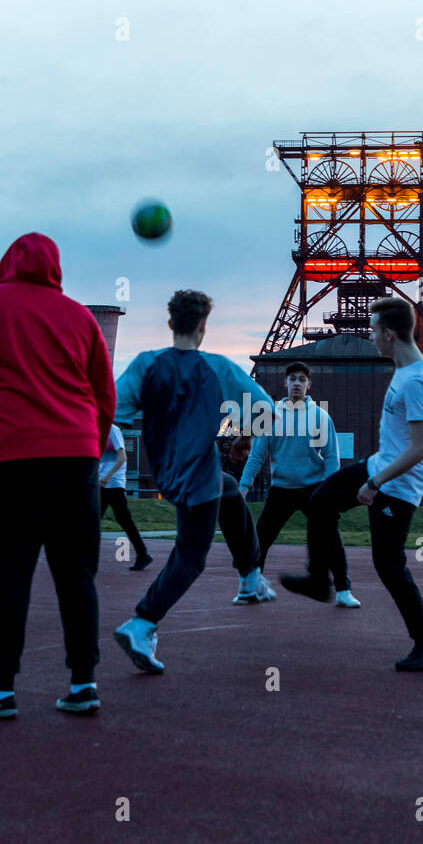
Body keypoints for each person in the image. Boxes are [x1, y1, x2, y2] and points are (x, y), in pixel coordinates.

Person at [0, 232, 116, 717]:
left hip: (13, 461)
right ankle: (82, 682)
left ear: (7, 263)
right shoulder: (80, 317)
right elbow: (103, 394)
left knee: (10, 572)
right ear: (56, 267)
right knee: (77, 573)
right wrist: (90, 448)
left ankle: (0, 691)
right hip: (76, 461)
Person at [281, 297, 423, 671]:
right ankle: (318, 579)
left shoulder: (419, 380)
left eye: (374, 331)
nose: (371, 337)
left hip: (399, 482)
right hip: (380, 466)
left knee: (388, 566)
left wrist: (375, 482)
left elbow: (421, 448)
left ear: (389, 334)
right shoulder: (403, 370)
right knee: (322, 500)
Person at [111, 289, 274, 674]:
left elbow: (109, 409)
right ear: (203, 326)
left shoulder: (145, 365)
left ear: (171, 324)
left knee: (231, 490)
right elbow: (265, 408)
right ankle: (142, 622)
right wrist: (246, 436)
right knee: (190, 558)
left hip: (167, 471)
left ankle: (250, 577)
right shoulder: (217, 367)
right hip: (198, 472)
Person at [237, 361, 358, 607]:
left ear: (308, 385)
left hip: (314, 488)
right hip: (281, 488)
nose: (296, 384)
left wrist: (330, 489)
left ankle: (344, 591)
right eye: (292, 379)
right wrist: (244, 486)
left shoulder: (320, 417)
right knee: (261, 538)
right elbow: (257, 455)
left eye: (302, 380)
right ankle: (251, 587)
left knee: (330, 538)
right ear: (285, 383)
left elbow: (332, 456)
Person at [100, 423, 153, 571]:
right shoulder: (97, 429)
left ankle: (143, 554)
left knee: (123, 521)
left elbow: (122, 457)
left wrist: (107, 476)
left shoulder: (113, 430)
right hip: (102, 484)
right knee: (98, 520)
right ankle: (143, 554)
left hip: (113, 484)